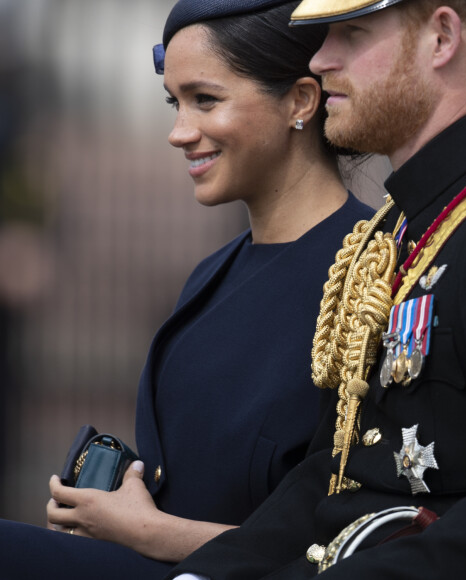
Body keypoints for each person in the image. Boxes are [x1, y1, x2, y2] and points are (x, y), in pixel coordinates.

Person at [165, 0, 466, 578]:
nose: (320, 59)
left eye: (350, 33)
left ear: (441, 38)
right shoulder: (396, 229)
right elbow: (332, 475)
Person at [0, 1, 375, 578]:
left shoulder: (371, 276)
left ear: (301, 101)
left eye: (206, 100)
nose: (179, 132)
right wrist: (108, 510)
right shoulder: (214, 273)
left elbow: (354, 537)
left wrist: (149, 531)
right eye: (174, 103)